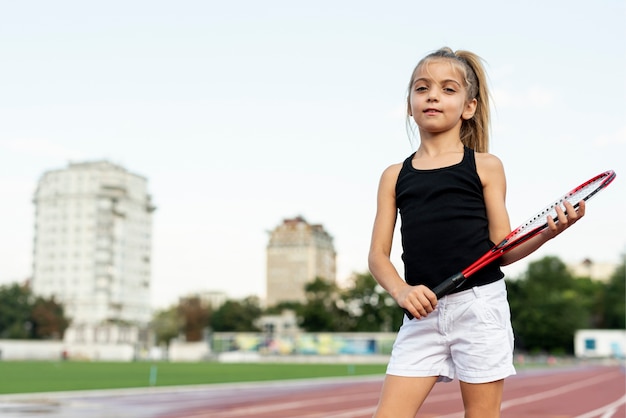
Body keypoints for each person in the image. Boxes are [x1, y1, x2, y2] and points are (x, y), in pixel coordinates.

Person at [368, 47, 585, 418]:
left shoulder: (486, 166)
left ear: (468, 107)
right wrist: (401, 290)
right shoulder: (394, 175)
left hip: (480, 307)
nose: (432, 95)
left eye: (448, 89)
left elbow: (503, 248)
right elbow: (377, 256)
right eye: (422, 88)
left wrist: (549, 233)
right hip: (422, 314)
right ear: (409, 104)